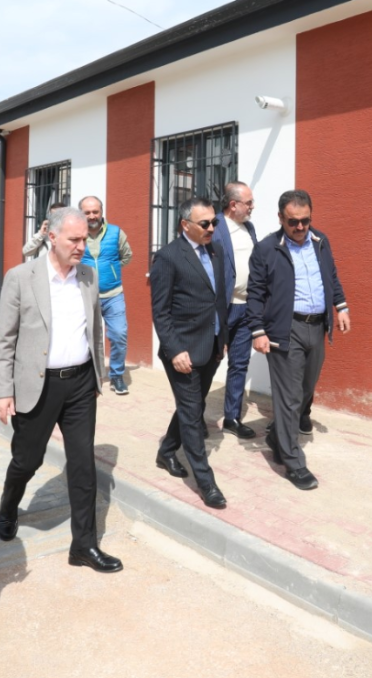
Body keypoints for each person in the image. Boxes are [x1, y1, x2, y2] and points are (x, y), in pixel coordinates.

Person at [0, 207, 123, 574]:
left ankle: (84, 545)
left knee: (83, 465)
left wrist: (96, 377)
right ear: (51, 237)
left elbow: (95, 329)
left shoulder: (88, 276)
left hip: (80, 385)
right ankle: (9, 504)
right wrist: (2, 391)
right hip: (38, 385)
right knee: (27, 460)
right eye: (74, 239)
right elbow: (5, 339)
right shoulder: (21, 277)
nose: (82, 246)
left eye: (85, 239)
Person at [247, 190, 349, 492]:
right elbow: (255, 293)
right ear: (281, 218)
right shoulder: (267, 249)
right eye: (293, 222)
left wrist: (341, 306)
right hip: (285, 329)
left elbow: (331, 276)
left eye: (305, 220)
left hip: (317, 327)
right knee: (289, 397)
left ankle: (277, 436)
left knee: (305, 390)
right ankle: (292, 462)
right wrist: (258, 331)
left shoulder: (320, 241)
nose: (301, 227)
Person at [150, 197, 229, 509]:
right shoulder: (168, 257)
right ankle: (206, 482)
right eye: (205, 223)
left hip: (210, 346)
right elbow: (161, 312)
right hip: (182, 351)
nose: (212, 228)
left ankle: (166, 450)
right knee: (193, 412)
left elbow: (217, 298)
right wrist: (174, 350)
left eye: (214, 222)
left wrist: (222, 338)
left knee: (191, 407)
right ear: (185, 225)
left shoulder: (215, 250)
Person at [213, 182, 261, 439]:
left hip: (246, 307)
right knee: (207, 363)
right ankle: (192, 419)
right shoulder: (214, 226)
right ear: (233, 204)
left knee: (239, 364)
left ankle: (232, 418)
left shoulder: (249, 228)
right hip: (220, 309)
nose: (252, 207)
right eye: (249, 202)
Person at [77, 196, 133, 395]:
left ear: (101, 212)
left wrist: (112, 270)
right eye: (87, 212)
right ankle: (93, 374)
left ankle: (116, 375)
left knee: (119, 334)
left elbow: (127, 256)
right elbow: (71, 260)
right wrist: (84, 277)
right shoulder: (76, 234)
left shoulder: (116, 232)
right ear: (81, 214)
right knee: (87, 338)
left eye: (95, 211)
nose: (92, 216)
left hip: (113, 294)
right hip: (85, 295)